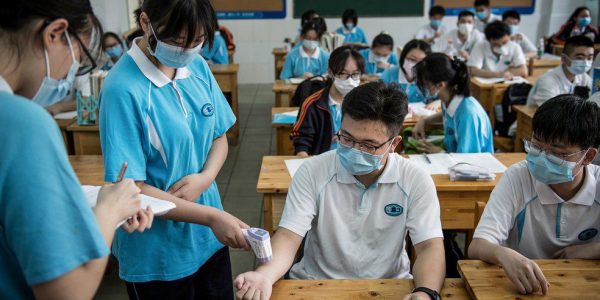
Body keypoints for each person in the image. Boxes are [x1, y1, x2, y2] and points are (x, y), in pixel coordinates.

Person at [235, 82, 445, 300]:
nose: (355, 150)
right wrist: (265, 276)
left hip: (388, 285)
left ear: (394, 144)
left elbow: (429, 246)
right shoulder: (313, 171)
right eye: (346, 138)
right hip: (316, 284)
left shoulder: (415, 180)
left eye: (368, 145)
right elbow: (288, 236)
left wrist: (425, 292)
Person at [99, 1, 252, 299]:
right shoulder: (122, 88)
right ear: (146, 23)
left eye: (197, 42)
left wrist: (205, 179)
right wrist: (210, 217)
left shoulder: (195, 67)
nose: (187, 51)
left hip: (208, 239)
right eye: (179, 42)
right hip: (157, 252)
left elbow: (219, 136)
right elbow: (131, 188)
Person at [0, 1, 153, 298]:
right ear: (55, 33)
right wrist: (110, 210)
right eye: (77, 60)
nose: (67, 76)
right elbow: (67, 291)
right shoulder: (22, 125)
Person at [468, 95, 600, 296]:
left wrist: (594, 249)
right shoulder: (519, 177)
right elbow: (478, 245)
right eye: (536, 146)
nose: (543, 158)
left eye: (557, 152)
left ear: (588, 156)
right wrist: (503, 254)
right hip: (523, 289)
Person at [292, 46, 365, 157]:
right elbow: (302, 140)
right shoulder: (313, 103)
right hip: (322, 161)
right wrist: (303, 158)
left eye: (355, 74)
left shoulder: (365, 103)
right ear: (331, 73)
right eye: (343, 74)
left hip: (355, 160)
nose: (350, 81)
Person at [413, 53, 493, 154]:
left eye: (426, 84)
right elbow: (447, 115)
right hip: (452, 157)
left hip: (471, 165)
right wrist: (424, 121)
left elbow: (467, 162)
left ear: (440, 85)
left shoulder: (468, 114)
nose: (424, 88)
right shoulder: (448, 98)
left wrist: (439, 153)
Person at [527, 36, 594, 107]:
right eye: (579, 58)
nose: (585, 62)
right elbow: (552, 113)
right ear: (564, 58)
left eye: (589, 58)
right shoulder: (548, 81)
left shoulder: (583, 77)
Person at [381, 39, 439, 108]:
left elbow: (440, 97)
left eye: (421, 62)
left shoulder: (429, 78)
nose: (416, 65)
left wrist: (437, 103)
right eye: (412, 59)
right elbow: (378, 98)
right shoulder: (388, 74)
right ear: (403, 57)